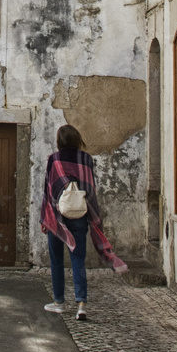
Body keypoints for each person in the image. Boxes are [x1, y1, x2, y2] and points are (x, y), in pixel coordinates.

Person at [40, 123, 127, 320]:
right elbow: (90, 188)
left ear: (59, 141)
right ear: (77, 139)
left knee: (56, 260)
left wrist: (44, 218)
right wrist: (94, 216)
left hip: (57, 216)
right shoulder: (86, 159)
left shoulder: (54, 159)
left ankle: (59, 302)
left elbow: (47, 189)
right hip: (79, 213)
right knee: (78, 259)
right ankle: (81, 304)